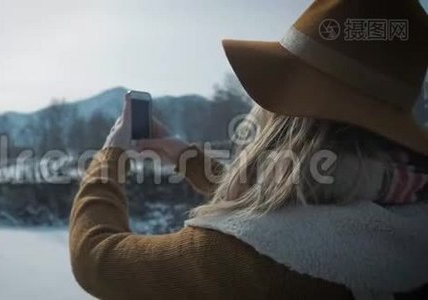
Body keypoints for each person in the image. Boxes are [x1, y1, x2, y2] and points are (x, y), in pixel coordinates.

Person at [69, 0, 428, 299]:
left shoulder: (254, 257)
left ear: (287, 115)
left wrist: (111, 155)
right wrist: (184, 156)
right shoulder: (405, 209)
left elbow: (96, 259)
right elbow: (291, 196)